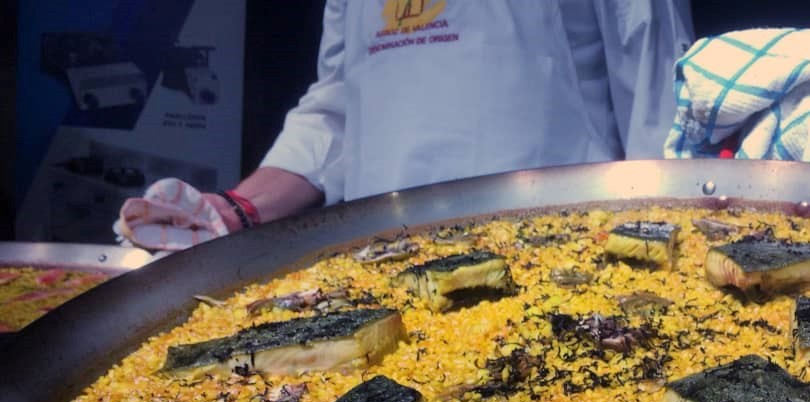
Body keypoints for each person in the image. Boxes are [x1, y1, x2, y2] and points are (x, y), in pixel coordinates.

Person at [136, 1, 696, 241]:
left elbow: (663, 108)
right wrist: (236, 210)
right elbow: (338, 111)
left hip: (555, 263)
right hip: (374, 269)